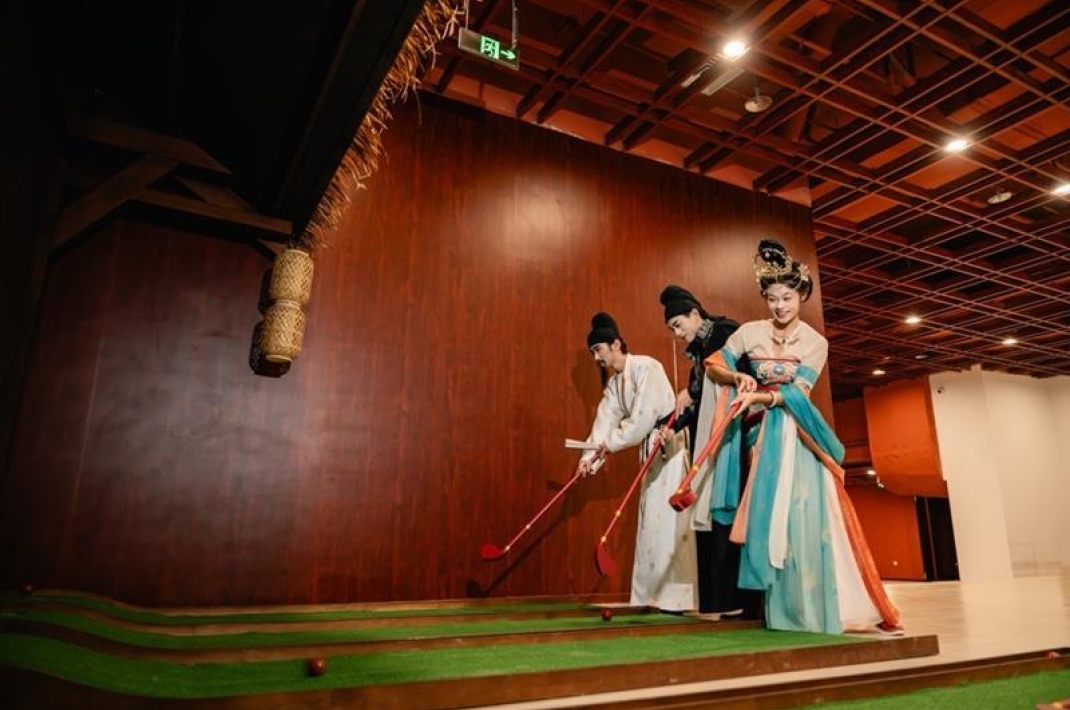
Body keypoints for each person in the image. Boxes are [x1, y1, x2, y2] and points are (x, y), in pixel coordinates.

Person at [702, 240, 902, 635]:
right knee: (769, 519)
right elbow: (713, 365)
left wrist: (759, 396)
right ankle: (780, 609)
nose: (779, 306)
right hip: (761, 438)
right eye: (772, 298)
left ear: (802, 296)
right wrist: (737, 375)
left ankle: (818, 605)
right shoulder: (750, 333)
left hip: (798, 435)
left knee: (807, 518)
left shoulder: (815, 342)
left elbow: (798, 393)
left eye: (787, 298)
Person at [579, 312, 697, 612]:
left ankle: (678, 598)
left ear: (616, 344)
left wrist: (609, 445)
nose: (596, 358)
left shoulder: (647, 367)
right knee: (650, 523)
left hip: (668, 445)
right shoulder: (614, 385)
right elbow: (603, 423)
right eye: (592, 352)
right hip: (649, 448)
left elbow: (642, 419)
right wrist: (588, 459)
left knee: (669, 522)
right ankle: (650, 597)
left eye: (598, 350)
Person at [658, 285, 758, 618]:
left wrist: (693, 391)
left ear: (695, 314)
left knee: (732, 511)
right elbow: (698, 403)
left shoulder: (725, 331)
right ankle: (720, 600)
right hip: (711, 437)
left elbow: (731, 375)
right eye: (671, 328)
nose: (676, 333)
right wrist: (672, 426)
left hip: (736, 433)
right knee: (711, 516)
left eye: (677, 324)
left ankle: (743, 600)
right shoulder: (698, 355)